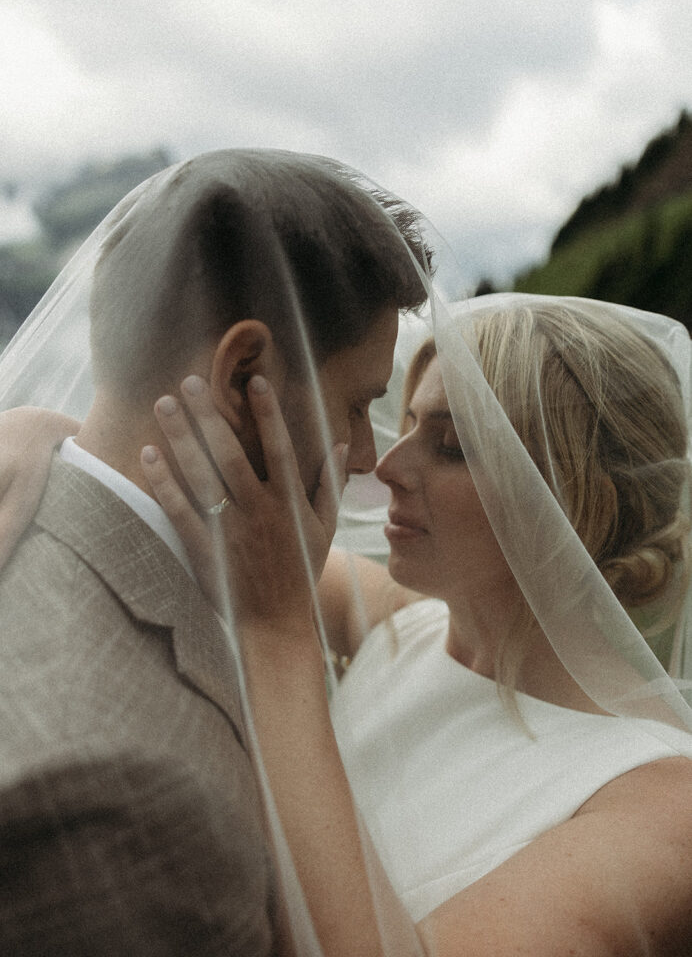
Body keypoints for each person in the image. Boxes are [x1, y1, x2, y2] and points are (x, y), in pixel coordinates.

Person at [137, 293, 692, 956]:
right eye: (406, 422)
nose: (389, 468)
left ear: (570, 498)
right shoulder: (401, 625)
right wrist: (36, 433)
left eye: (453, 445)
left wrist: (279, 637)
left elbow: (275, 602)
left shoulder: (662, 806)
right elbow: (225, 532)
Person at [0, 149, 429, 955]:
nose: (369, 456)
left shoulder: (34, 504)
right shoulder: (113, 800)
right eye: (360, 404)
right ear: (241, 378)